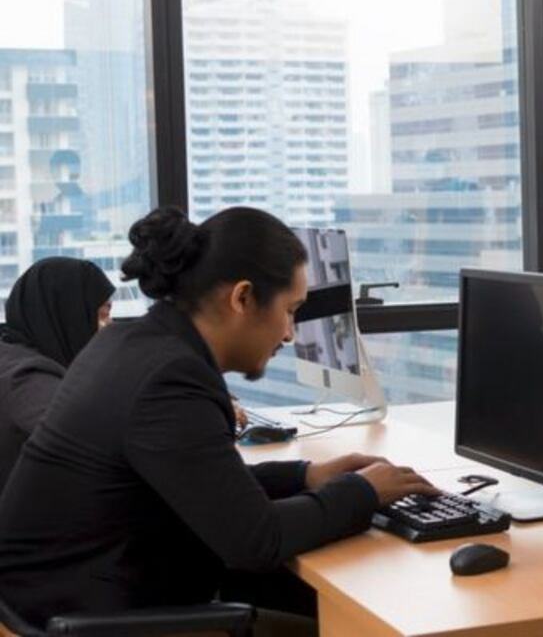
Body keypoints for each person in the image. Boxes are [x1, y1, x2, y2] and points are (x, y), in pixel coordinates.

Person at [0, 206, 434, 630]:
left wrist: (306, 475)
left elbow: (203, 484)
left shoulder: (130, 345)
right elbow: (257, 541)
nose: (288, 333)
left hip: (51, 605)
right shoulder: (170, 378)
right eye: (289, 310)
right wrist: (363, 491)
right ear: (242, 298)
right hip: (92, 620)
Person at [0, 257, 115, 487]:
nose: (110, 325)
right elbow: (90, 445)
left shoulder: (11, 354)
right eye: (102, 314)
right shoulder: (27, 377)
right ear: (68, 315)